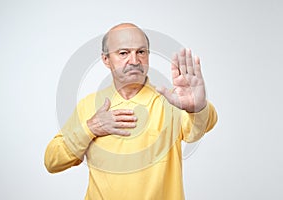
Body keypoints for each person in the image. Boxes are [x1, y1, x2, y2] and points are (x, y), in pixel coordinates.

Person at [44, 23, 218, 200]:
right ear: (106, 59)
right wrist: (90, 128)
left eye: (141, 52)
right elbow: (52, 161)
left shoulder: (173, 102)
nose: (135, 61)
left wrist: (196, 106)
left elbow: (199, 128)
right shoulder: (88, 106)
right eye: (123, 53)